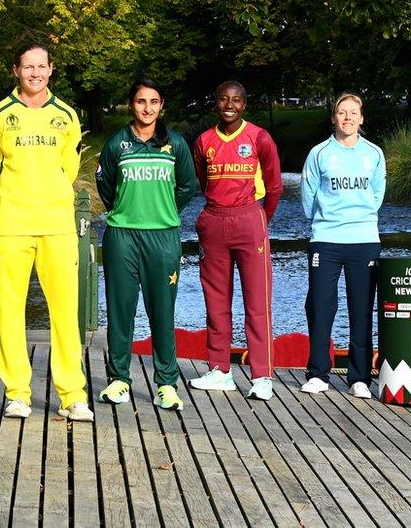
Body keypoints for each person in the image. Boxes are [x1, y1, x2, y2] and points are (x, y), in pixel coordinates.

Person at [0, 42, 93, 421]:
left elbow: (69, 168)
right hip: (11, 226)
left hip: (57, 226)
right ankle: (17, 393)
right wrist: (13, 198)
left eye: (41, 67)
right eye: (28, 67)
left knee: (64, 312)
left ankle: (73, 394)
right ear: (16, 71)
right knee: (10, 311)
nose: (35, 74)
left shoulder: (66, 116)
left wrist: (50, 192)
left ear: (51, 70)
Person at [95, 79, 196, 410]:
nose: (147, 108)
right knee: (120, 310)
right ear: (130, 105)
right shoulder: (116, 144)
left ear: (161, 105)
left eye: (153, 102)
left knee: (162, 312)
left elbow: (186, 187)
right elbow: (106, 186)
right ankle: (119, 380)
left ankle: (166, 384)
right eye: (141, 101)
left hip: (163, 237)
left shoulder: (176, 144)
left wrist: (162, 212)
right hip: (123, 236)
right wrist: (127, 210)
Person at [189, 81, 283, 400]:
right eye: (224, 99)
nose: (230, 104)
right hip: (214, 221)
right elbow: (202, 181)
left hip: (249, 219)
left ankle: (261, 376)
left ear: (244, 104)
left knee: (257, 301)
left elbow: (274, 187)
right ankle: (220, 370)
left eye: (236, 100)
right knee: (216, 300)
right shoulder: (203, 141)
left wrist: (257, 219)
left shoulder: (259, 137)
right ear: (216, 103)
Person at [300, 93, 386, 398]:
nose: (347, 117)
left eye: (353, 113)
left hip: (363, 241)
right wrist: (324, 221)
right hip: (326, 239)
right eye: (342, 112)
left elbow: (376, 196)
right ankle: (318, 373)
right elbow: (308, 197)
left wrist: (358, 220)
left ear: (361, 119)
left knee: (361, 309)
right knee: (320, 306)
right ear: (334, 118)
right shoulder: (319, 153)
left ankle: (359, 377)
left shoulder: (374, 153)